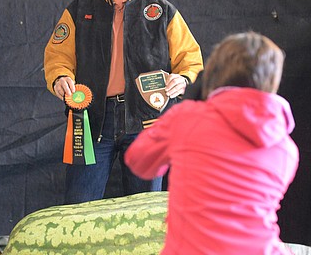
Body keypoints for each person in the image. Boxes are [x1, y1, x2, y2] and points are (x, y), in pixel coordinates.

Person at [125, 31, 299, 254]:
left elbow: (139, 161)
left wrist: (186, 109)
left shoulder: (187, 118)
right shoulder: (287, 150)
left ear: (214, 72)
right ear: (272, 81)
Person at [44, 0, 203, 204]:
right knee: (78, 206)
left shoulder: (162, 9)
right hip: (92, 120)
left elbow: (191, 59)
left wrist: (184, 78)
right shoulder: (79, 9)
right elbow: (57, 56)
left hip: (147, 121)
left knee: (145, 209)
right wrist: (60, 76)